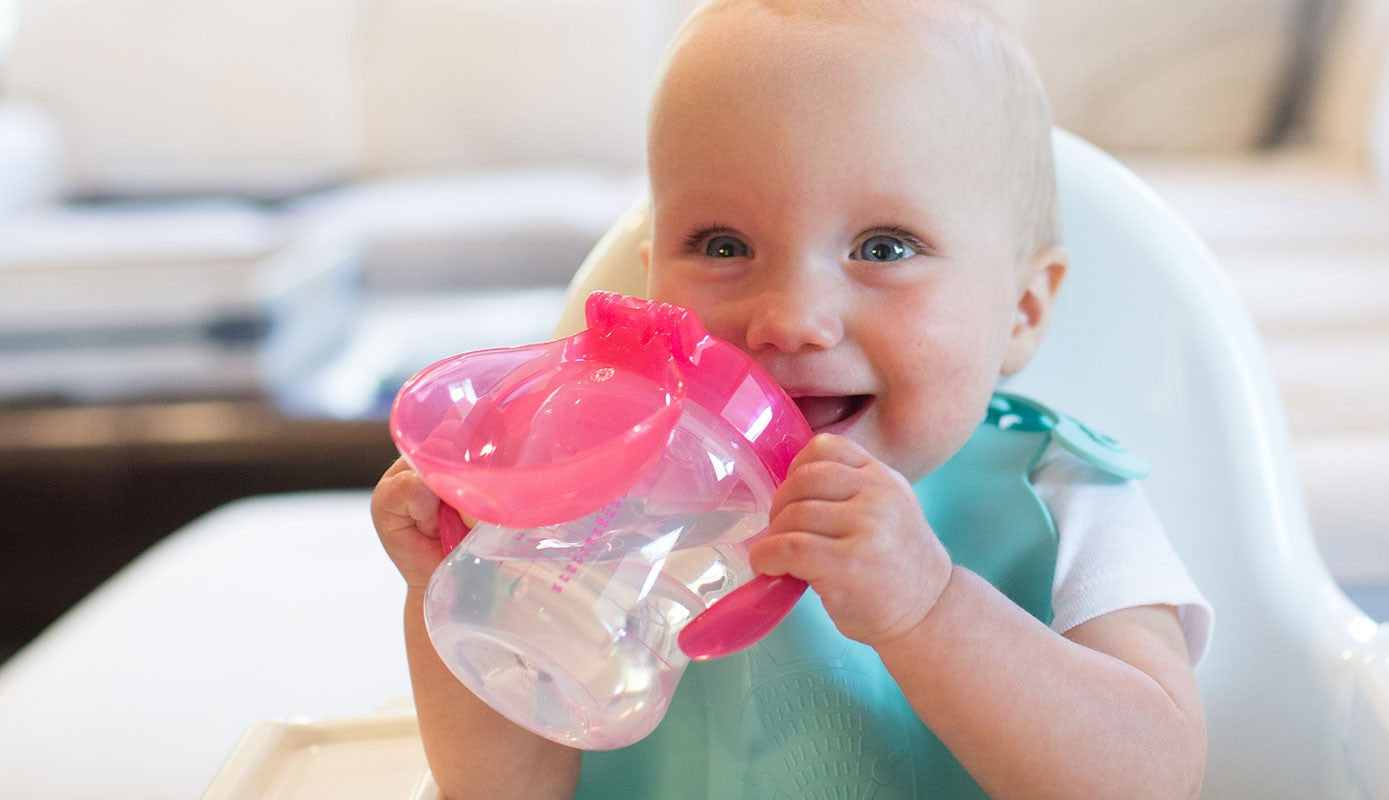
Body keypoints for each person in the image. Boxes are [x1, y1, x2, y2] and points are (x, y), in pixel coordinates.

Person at [373, 0, 1212, 797]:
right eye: (724, 244)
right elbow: (500, 791)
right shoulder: (597, 489)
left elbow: (1154, 779)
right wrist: (454, 587)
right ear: (649, 275)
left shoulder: (1069, 500)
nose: (791, 321)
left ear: (1022, 310)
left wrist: (930, 607)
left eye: (884, 247)